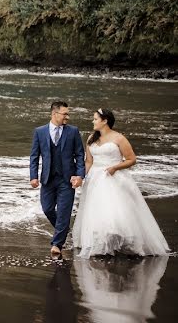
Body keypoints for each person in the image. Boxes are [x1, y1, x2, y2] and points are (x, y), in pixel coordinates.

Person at [72, 108, 169, 258]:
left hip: (114, 178)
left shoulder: (119, 138)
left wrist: (115, 167)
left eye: (95, 119)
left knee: (116, 211)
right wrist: (80, 177)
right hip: (95, 179)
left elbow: (132, 159)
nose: (93, 121)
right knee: (96, 211)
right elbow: (89, 161)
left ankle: (122, 241)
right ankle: (100, 243)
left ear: (105, 121)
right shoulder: (91, 138)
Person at [30, 101, 85, 256]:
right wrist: (33, 176)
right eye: (65, 114)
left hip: (67, 179)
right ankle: (64, 229)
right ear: (54, 114)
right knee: (47, 209)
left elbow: (80, 155)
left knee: (63, 212)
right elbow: (34, 156)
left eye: (68, 114)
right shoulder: (40, 132)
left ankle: (57, 244)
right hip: (47, 178)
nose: (67, 116)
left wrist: (80, 175)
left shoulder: (73, 131)